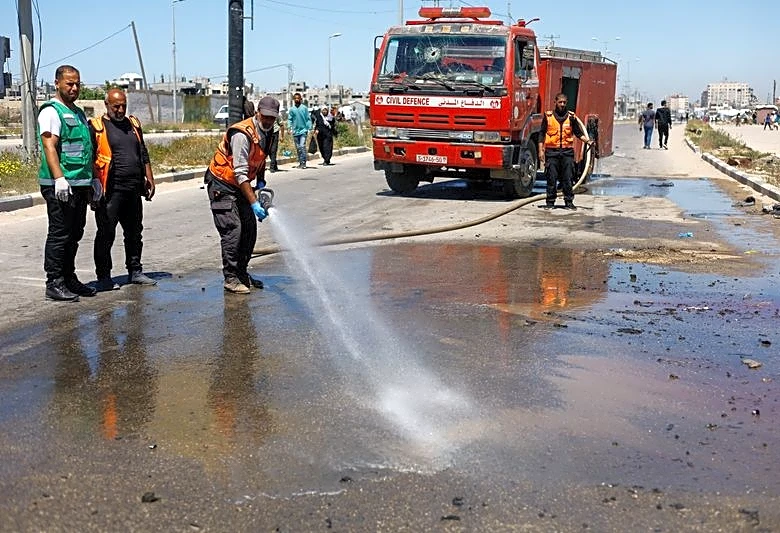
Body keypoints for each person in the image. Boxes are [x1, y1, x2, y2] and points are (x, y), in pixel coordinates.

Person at [38, 65, 101, 301]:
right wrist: (59, 178)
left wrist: (94, 177)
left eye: (77, 84)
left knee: (75, 233)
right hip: (60, 184)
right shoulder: (51, 111)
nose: (74, 88)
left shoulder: (78, 113)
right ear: (57, 83)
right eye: (69, 83)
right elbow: (49, 146)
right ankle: (54, 282)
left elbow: (86, 149)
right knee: (60, 233)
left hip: (80, 183)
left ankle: (68, 277)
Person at [204, 95, 279, 294]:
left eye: (272, 118)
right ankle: (230, 278)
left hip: (240, 185)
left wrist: (260, 183)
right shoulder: (242, 134)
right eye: (265, 117)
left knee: (249, 229)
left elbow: (261, 159)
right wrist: (254, 203)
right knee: (233, 230)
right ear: (258, 113)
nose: (268, 121)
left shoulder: (270, 132)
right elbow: (240, 173)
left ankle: (242, 273)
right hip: (222, 183)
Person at [88, 88, 158, 291]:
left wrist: (149, 177)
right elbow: (90, 157)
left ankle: (135, 271)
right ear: (106, 105)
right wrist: (93, 186)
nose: (120, 110)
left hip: (133, 189)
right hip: (110, 191)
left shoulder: (133, 125)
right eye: (116, 106)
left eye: (123, 106)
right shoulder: (96, 127)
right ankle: (104, 277)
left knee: (134, 233)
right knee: (106, 234)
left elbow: (142, 152)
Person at [537, 93, 592, 210]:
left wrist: (588, 141)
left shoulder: (571, 117)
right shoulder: (548, 117)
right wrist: (540, 151)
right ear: (555, 102)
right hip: (552, 152)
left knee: (568, 178)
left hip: (567, 153)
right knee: (551, 178)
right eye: (560, 102)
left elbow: (578, 133)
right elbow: (541, 134)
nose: (562, 104)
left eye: (564, 102)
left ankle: (569, 202)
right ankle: (550, 202)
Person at [287, 92, 312, 168]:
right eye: (295, 98)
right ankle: (301, 162)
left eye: (298, 98)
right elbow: (290, 119)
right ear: (293, 99)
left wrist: (310, 128)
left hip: (303, 131)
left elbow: (308, 119)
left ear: (301, 99)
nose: (297, 99)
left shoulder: (304, 108)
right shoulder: (292, 109)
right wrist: (289, 127)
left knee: (302, 146)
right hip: (295, 131)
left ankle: (304, 162)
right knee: (298, 148)